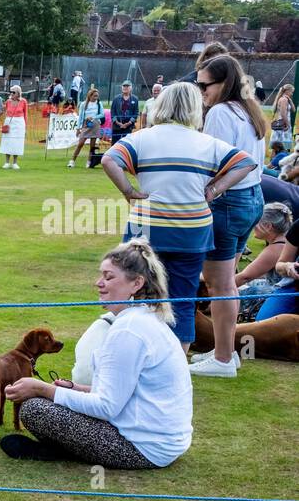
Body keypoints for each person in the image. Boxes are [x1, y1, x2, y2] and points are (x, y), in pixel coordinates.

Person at [0, 240, 191, 469]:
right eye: (101, 275)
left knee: (34, 408)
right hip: (164, 442)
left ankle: (62, 451)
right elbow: (129, 393)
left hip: (142, 448)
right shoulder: (144, 319)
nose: (99, 283)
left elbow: (106, 408)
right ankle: (63, 448)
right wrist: (75, 389)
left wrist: (44, 389)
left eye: (109, 277)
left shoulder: (129, 330)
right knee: (50, 400)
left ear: (136, 284)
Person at [100, 80, 255, 352]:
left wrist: (128, 191)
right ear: (195, 108)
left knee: (136, 294)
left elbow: (109, 160)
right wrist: (215, 189)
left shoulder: (141, 138)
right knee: (182, 299)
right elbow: (245, 162)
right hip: (192, 232)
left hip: (146, 230)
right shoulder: (207, 143)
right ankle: (175, 366)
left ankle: (134, 354)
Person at [192, 54, 267, 378]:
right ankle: (225, 351)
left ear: (223, 84)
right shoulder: (249, 112)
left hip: (229, 202)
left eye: (204, 85)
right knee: (227, 282)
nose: (201, 91)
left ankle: (223, 358)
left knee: (219, 283)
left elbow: (215, 163)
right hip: (252, 199)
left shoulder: (221, 112)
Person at [234, 201, 294, 320]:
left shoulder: (276, 248)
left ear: (268, 226)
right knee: (248, 285)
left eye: (256, 222)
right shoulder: (284, 242)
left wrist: (216, 287)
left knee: (238, 290)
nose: (253, 226)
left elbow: (244, 277)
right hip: (280, 288)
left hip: (279, 293)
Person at [68, 87, 105, 168]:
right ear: (90, 96)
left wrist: (93, 117)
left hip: (95, 124)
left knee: (92, 146)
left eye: (97, 96)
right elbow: (81, 117)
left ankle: (89, 161)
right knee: (80, 143)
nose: (96, 98)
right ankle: (72, 161)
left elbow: (102, 114)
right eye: (94, 96)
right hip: (86, 124)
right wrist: (78, 128)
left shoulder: (99, 103)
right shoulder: (83, 104)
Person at [0, 84, 27, 169]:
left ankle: (15, 162)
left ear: (18, 93)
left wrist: (25, 126)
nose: (12, 94)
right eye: (11, 92)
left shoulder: (23, 101)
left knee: (17, 142)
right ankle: (7, 162)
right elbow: (6, 112)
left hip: (19, 122)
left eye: (13, 92)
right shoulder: (8, 101)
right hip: (9, 121)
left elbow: (25, 114)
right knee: (7, 141)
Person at [110, 80, 139, 148]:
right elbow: (112, 112)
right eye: (124, 86)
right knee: (115, 144)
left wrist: (128, 123)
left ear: (131, 88)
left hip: (128, 126)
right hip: (117, 126)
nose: (125, 87)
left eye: (127, 86)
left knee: (126, 144)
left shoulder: (135, 99)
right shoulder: (116, 98)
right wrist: (117, 122)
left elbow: (136, 113)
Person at [271, 83, 294, 150]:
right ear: (287, 91)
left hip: (282, 124)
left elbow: (293, 109)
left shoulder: (286, 99)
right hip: (283, 124)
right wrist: (287, 124)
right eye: (291, 92)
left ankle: (275, 159)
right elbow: (283, 113)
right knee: (282, 146)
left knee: (277, 146)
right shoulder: (284, 100)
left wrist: (290, 100)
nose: (292, 94)